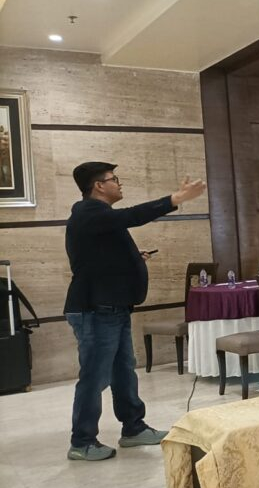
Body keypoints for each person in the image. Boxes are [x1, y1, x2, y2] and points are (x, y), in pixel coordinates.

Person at [65, 162, 207, 461]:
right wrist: (175, 199)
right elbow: (132, 216)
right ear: (99, 186)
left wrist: (132, 257)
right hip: (95, 309)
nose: (119, 183)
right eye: (113, 179)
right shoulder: (89, 211)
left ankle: (133, 427)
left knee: (123, 372)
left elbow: (100, 256)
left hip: (112, 308)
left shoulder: (98, 218)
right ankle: (82, 442)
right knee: (94, 377)